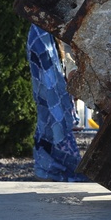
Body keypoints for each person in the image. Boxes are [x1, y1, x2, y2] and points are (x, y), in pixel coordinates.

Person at [27, 25, 88, 182]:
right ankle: (50, 167)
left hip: (47, 46)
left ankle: (48, 167)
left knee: (49, 113)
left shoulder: (44, 33)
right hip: (44, 46)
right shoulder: (41, 33)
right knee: (50, 112)